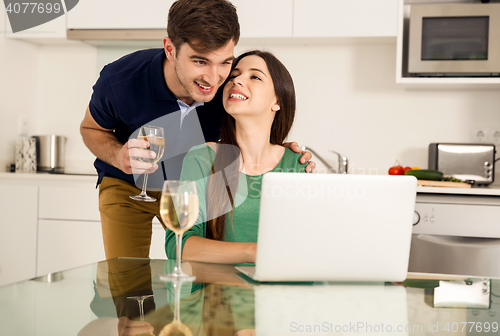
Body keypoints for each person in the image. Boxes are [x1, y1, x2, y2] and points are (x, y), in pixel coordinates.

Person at [80, 0, 314, 260]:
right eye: (200, 62)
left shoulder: (230, 84)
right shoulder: (121, 80)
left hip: (192, 181)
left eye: (225, 62)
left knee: (188, 275)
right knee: (128, 283)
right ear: (170, 49)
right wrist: (117, 156)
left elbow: (254, 121)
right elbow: (90, 129)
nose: (214, 79)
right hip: (131, 184)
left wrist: (281, 152)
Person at [165, 50, 307, 264]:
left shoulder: (296, 164)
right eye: (234, 76)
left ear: (277, 100)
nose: (236, 80)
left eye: (255, 76)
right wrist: (252, 252)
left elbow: (306, 244)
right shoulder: (202, 158)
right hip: (217, 294)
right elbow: (178, 244)